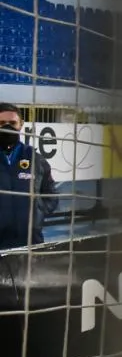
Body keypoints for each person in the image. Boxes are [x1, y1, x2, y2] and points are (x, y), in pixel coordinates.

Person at [0, 105, 56, 250]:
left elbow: (51, 195)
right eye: (2, 123)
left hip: (31, 242)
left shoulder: (36, 159)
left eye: (12, 123)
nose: (7, 127)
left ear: (21, 124)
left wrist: (38, 212)